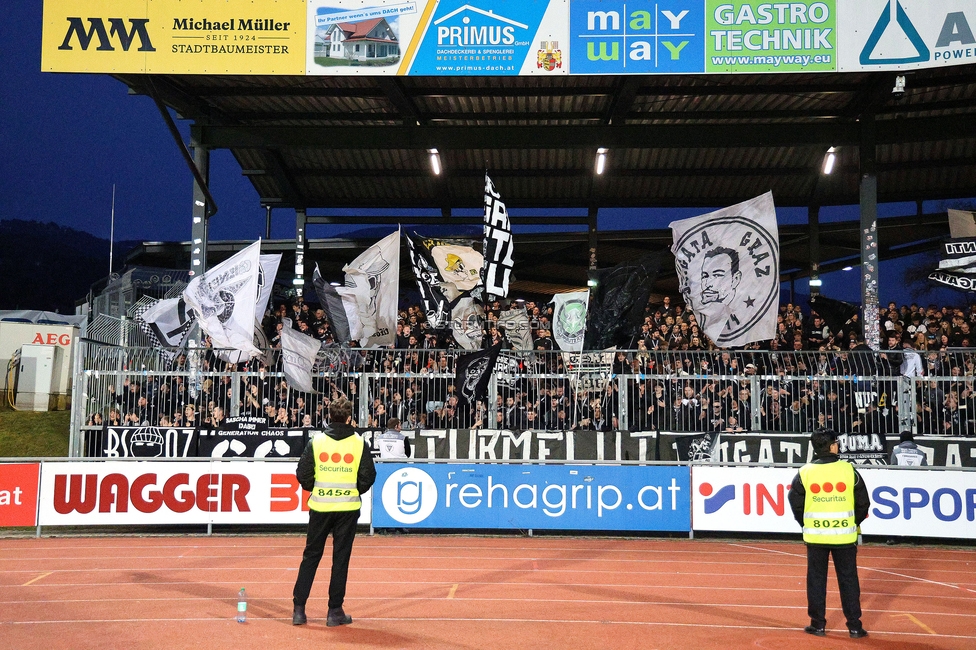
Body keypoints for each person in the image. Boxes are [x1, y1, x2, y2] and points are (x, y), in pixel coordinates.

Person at [292, 397, 376, 627]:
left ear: (330, 416)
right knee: (340, 560)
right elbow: (368, 476)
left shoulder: (317, 441)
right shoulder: (359, 443)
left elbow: (302, 473)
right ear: (349, 418)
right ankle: (334, 611)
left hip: (320, 507)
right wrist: (355, 489)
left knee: (311, 556)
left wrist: (315, 487)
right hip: (347, 508)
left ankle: (299, 609)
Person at [789, 429, 870, 639]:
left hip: (816, 536)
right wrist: (853, 522)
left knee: (816, 581)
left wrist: (806, 522)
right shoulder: (848, 469)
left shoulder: (805, 471)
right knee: (849, 581)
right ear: (832, 446)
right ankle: (854, 626)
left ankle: (818, 625)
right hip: (844, 536)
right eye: (836, 443)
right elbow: (863, 502)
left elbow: (795, 502)